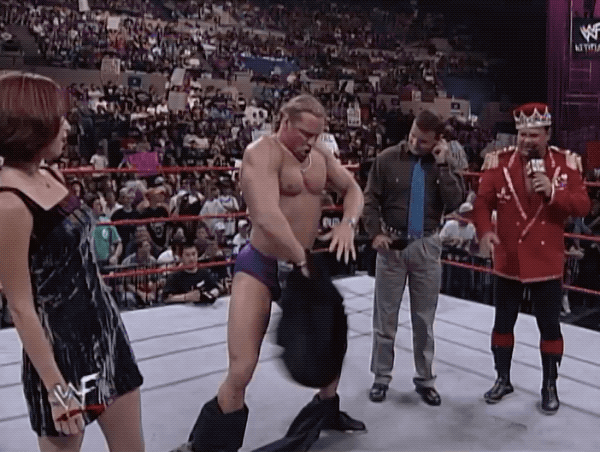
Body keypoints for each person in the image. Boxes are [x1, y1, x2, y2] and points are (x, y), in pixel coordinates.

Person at [183, 94, 365, 452]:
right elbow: (265, 215)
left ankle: (326, 410)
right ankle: (206, 446)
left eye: (317, 134)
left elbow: (353, 189)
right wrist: (300, 260)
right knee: (242, 368)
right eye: (304, 133)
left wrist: (348, 223)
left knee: (331, 343)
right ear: (284, 122)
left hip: (303, 262)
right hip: (262, 265)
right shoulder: (261, 153)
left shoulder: (320, 157)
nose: (311, 141)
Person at [0, 72, 144, 451]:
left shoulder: (51, 173)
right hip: (60, 355)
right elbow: (20, 306)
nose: (67, 127)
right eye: (58, 119)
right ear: (32, 124)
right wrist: (57, 389)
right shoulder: (9, 203)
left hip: (105, 332)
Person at [472, 103, 591, 414]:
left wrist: (553, 192)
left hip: (546, 261)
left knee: (549, 327)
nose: (526, 141)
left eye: (533, 135)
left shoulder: (565, 165)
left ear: (547, 134)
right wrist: (484, 231)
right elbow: (482, 203)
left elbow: (583, 206)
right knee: (502, 323)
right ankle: (502, 379)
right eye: (522, 134)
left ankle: (549, 385)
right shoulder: (498, 163)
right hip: (508, 259)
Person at [362, 109, 465, 406]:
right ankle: (381, 377)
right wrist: (375, 233)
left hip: (427, 244)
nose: (414, 143)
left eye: (423, 141)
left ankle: (425, 379)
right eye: (412, 136)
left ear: (437, 141)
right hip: (391, 244)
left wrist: (443, 165)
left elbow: (455, 202)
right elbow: (370, 200)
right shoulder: (386, 159)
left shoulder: (444, 163)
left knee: (424, 320)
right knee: (385, 318)